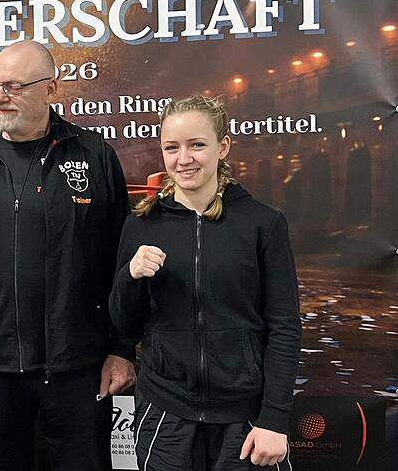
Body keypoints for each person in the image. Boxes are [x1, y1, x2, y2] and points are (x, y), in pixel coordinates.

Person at [0, 40, 135, 471]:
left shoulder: (93, 156)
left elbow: (122, 259)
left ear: (51, 88)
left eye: (13, 86)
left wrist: (123, 348)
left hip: (78, 368)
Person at [109, 94, 301, 470]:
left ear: (223, 146)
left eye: (197, 145)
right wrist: (130, 277)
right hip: (166, 412)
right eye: (172, 147)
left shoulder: (263, 223)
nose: (184, 159)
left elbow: (285, 327)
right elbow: (124, 326)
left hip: (244, 417)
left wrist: (274, 419)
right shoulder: (141, 225)